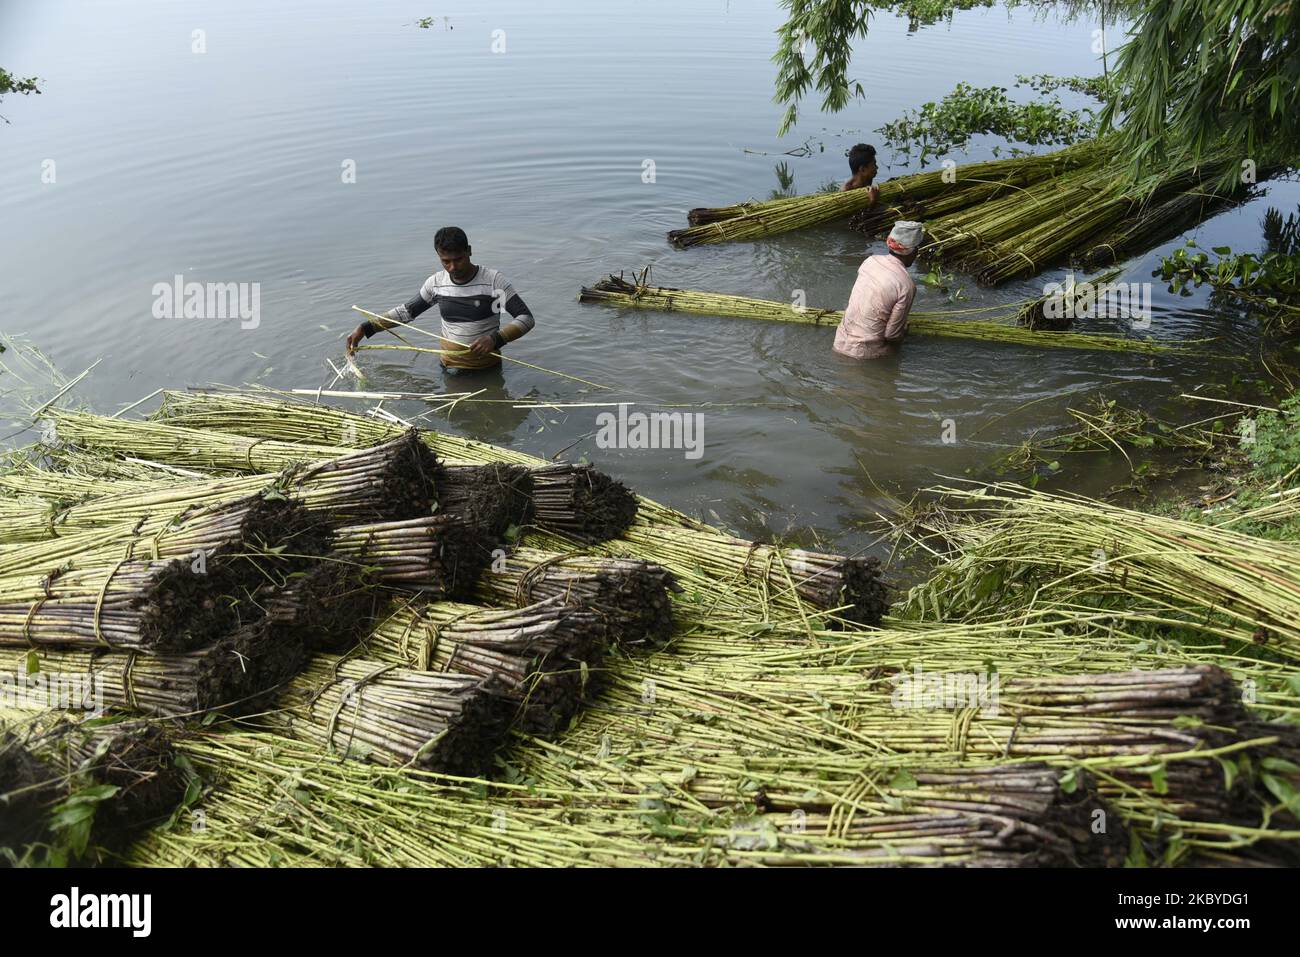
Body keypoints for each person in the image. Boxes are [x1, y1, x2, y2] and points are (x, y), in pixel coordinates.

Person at [345, 227, 535, 373]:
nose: (452, 267)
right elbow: (406, 313)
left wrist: (495, 339)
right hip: (448, 368)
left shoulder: (493, 281)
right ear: (438, 256)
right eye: (446, 261)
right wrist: (366, 328)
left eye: (458, 259)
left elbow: (526, 318)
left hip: (486, 370)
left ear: (469, 251)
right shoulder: (436, 283)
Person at [833, 221, 924, 360]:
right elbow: (891, 335)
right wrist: (905, 334)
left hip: (839, 342)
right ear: (914, 251)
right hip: (865, 355)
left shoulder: (870, 261)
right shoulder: (906, 285)